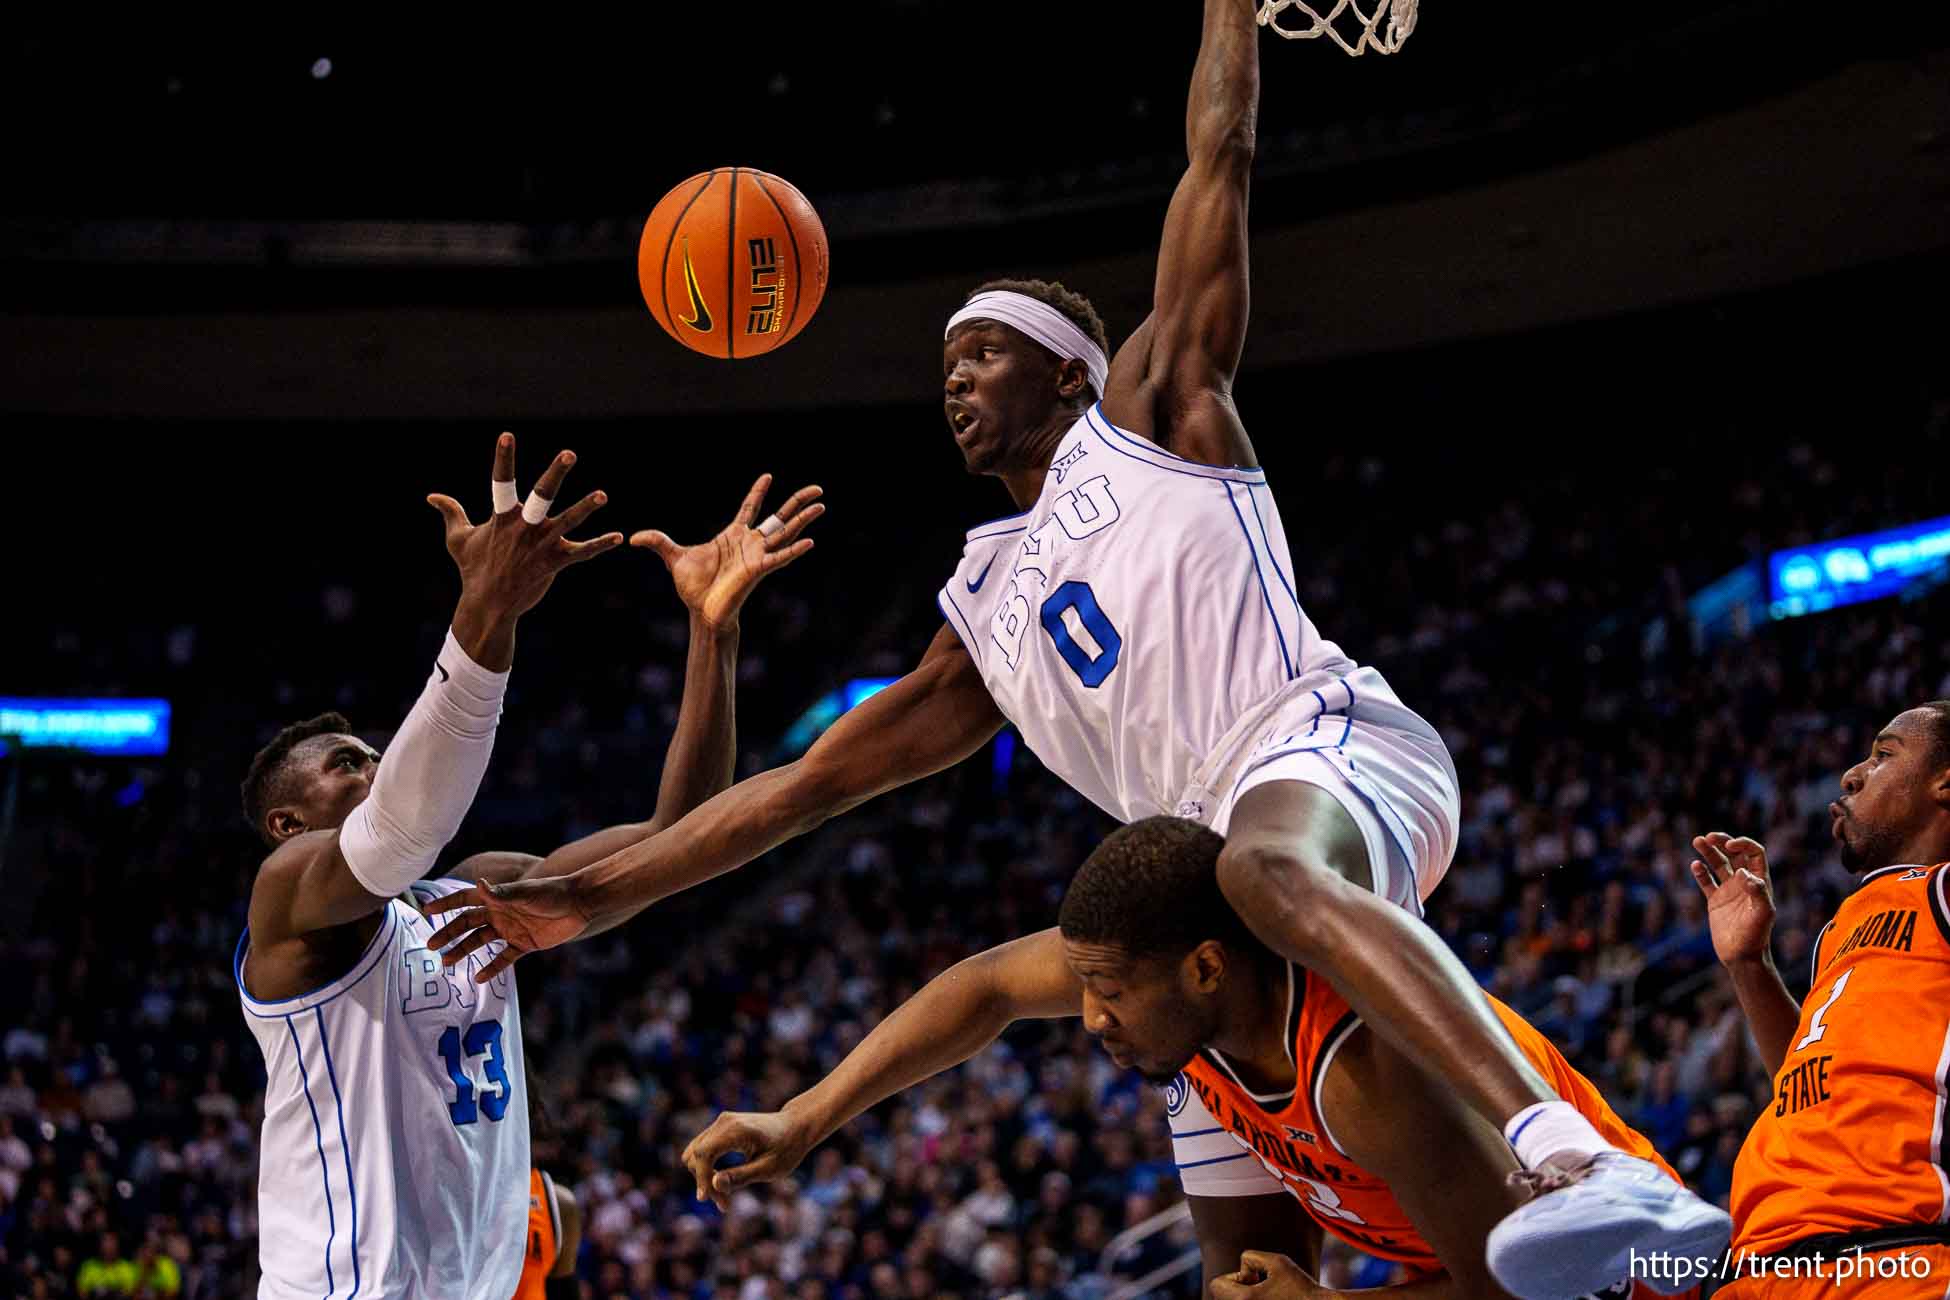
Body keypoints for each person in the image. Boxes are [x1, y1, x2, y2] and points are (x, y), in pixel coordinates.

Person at [422, 6, 1727, 1294]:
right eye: (944, 361)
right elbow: (793, 796)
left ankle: (1569, 1156)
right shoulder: (982, 616)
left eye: (982, 351)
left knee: (1267, 870)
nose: (954, 377)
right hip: (1193, 894)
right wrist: (591, 903)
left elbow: (1215, 158)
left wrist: (1230, 9)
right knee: (1245, 1262)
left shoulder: (1157, 414)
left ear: (1064, 374)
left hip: (1317, 750)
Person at [233, 434, 819, 1298]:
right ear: (288, 823)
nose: (377, 764)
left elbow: (678, 832)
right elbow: (401, 828)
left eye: (375, 752)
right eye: (348, 763)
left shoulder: (474, 892)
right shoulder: (286, 900)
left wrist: (712, 632)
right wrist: (488, 609)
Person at [680, 817, 1703, 1298]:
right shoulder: (1189, 1005)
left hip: (1635, 1281)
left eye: (1108, 990)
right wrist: (804, 1116)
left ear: (1208, 967)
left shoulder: (1371, 1072)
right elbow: (987, 984)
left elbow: (1526, 1291)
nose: (1086, 1016)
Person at [1689, 701, 1950, 1298]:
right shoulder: (1842, 928)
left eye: (1884, 755)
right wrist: (1749, 964)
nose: (1852, 774)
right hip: (1760, 1266)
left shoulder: (1942, 892)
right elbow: (1806, 1084)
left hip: (1887, 1257)